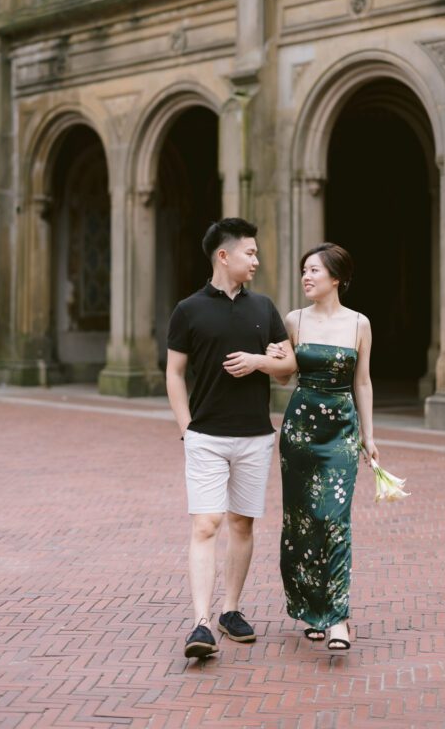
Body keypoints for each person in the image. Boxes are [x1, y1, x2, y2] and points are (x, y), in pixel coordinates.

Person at [166, 217, 296, 659]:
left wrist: (262, 362)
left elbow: (287, 370)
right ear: (224, 256)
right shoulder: (188, 310)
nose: (256, 259)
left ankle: (231, 610)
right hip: (205, 436)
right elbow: (174, 372)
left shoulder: (264, 309)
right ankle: (200, 622)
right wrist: (186, 428)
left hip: (256, 437)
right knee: (206, 524)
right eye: (250, 252)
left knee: (242, 524)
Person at [268, 242, 379, 651]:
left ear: (337, 278)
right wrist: (272, 358)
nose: (306, 277)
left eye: (314, 270)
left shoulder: (359, 324)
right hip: (299, 432)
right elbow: (283, 378)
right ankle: (310, 609)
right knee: (301, 522)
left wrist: (369, 436)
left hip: (341, 433)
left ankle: (337, 618)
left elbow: (362, 382)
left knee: (334, 520)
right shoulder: (294, 320)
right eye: (304, 270)